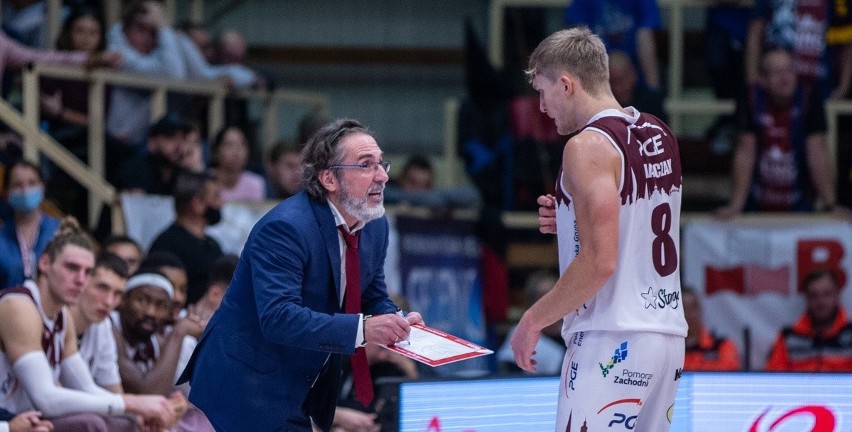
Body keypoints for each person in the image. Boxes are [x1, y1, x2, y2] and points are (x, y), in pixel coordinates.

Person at [178, 118, 423, 431]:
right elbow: (278, 316)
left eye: (381, 163)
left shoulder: (375, 223)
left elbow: (371, 295)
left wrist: (397, 322)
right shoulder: (286, 227)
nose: (383, 175)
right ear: (329, 179)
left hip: (303, 378)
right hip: (247, 379)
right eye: (366, 165)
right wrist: (364, 329)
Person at [510, 28, 687, 432]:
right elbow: (640, 223)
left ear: (567, 84)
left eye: (543, 91)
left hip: (611, 338)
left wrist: (533, 320)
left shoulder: (586, 146)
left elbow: (600, 262)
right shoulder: (659, 133)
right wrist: (572, 217)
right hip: (666, 338)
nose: (541, 106)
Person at [0, 217, 180, 431]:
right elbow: (46, 398)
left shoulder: (62, 316)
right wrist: (133, 403)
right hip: (8, 417)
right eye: (72, 268)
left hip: (27, 417)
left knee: (129, 423)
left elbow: (85, 387)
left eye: (86, 272)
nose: (80, 279)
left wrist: (136, 412)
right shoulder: (19, 306)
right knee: (90, 424)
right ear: (45, 263)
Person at [716, 48, 839, 217]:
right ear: (762, 79)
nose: (784, 77)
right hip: (756, 208)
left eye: (789, 70)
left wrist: (831, 204)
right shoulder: (751, 97)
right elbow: (745, 153)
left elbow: (817, 154)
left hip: (800, 207)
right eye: (776, 72)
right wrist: (736, 205)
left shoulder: (809, 97)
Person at [113, 270, 213, 431]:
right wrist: (178, 333)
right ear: (123, 299)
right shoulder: (110, 326)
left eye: (161, 306)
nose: (150, 312)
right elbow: (146, 392)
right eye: (142, 300)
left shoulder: (156, 341)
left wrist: (177, 404)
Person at [148, 171, 224, 307]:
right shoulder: (167, 244)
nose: (221, 203)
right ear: (198, 203)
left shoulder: (213, 244)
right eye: (216, 197)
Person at [765, 269, 852, 372]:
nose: (821, 302)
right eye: (814, 295)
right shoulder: (789, 338)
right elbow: (773, 378)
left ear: (837, 295)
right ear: (806, 298)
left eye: (827, 294)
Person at [564, 0, 663, 90]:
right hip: (596, 70)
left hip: (636, 73)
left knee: (620, 67)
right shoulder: (583, 2)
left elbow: (645, 38)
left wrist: (653, 88)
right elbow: (580, 41)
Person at [68, 252, 130, 393]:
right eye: (102, 288)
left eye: (117, 294)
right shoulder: (54, 320)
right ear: (81, 282)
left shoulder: (103, 325)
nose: (109, 302)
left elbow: (114, 391)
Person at [0, 160, 59, 289]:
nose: (25, 190)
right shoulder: (2, 238)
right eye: (17, 185)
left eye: (32, 183)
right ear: (6, 194)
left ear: (42, 187)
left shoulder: (60, 231)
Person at [682, 287, 741, 371]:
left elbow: (730, 374)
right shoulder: (670, 349)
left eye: (693, 308)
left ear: (700, 309)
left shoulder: (722, 346)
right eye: (683, 308)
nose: (688, 314)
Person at [608, 50, 667, 122]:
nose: (618, 88)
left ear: (632, 75)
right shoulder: (605, 106)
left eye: (621, 80)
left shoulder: (651, 101)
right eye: (613, 82)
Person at [210, 125, 265, 202]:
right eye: (229, 145)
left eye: (242, 144)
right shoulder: (206, 181)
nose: (237, 151)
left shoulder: (255, 184)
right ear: (216, 152)